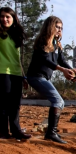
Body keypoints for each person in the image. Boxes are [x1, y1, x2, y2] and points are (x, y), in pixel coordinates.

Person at [26, 16, 75, 144]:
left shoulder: (57, 44)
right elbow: (45, 60)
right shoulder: (41, 42)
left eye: (61, 28)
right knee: (58, 100)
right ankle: (51, 133)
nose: (59, 30)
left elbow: (62, 61)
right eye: (57, 27)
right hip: (35, 76)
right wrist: (62, 70)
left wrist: (74, 72)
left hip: (44, 77)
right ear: (50, 27)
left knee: (60, 102)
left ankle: (52, 131)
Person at [0, 7, 31, 140]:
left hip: (16, 72)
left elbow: (17, 58)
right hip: (2, 71)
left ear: (13, 19)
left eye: (8, 17)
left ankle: (16, 129)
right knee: (3, 103)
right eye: (1, 16)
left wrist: (23, 75)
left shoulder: (16, 35)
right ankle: (2, 131)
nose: (4, 19)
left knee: (15, 103)